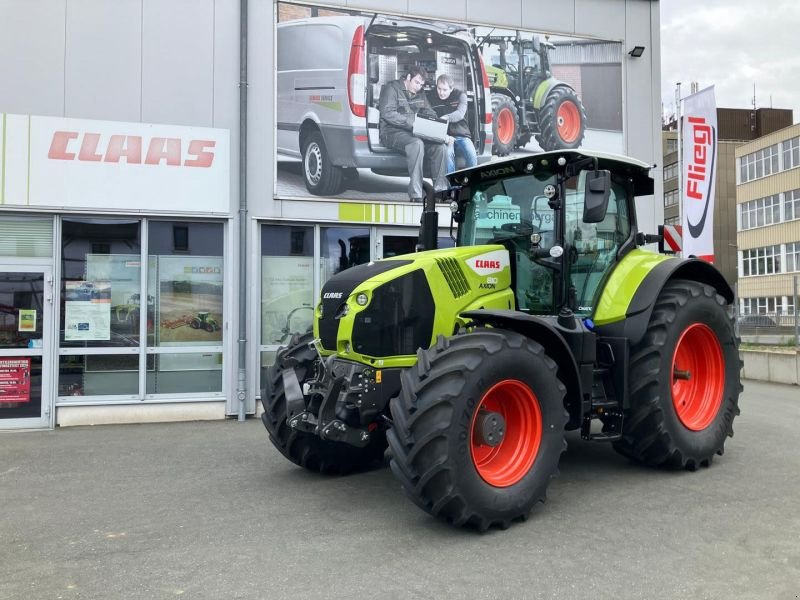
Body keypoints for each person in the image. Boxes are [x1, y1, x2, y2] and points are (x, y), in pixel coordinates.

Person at [378, 66, 449, 202]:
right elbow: (388, 113)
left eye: (421, 84)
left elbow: (428, 111)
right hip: (392, 132)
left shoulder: (420, 93)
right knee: (416, 144)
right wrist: (413, 124)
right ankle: (416, 193)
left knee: (440, 148)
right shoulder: (391, 89)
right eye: (417, 82)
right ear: (408, 77)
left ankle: (440, 192)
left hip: (415, 131)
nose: (418, 87)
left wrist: (437, 125)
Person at [428, 74, 477, 173]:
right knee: (447, 154)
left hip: (461, 135)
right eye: (439, 88)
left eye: (445, 90)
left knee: (471, 153)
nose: (441, 93)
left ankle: (473, 182)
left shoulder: (460, 96)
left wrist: (445, 118)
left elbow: (460, 114)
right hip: (443, 136)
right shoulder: (430, 97)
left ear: (451, 89)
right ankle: (453, 185)